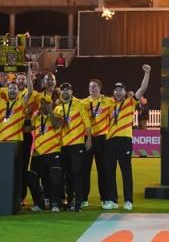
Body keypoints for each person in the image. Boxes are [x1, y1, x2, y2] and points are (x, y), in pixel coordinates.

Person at [102, 64, 150, 211]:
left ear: (124, 91)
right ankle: (112, 200)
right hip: (110, 140)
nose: (118, 92)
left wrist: (147, 73)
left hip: (124, 140)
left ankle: (128, 200)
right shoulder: (109, 103)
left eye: (120, 90)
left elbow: (142, 89)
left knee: (126, 171)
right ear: (113, 92)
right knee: (109, 171)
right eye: (116, 90)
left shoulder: (130, 101)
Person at [0, 69, 34, 212]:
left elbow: (31, 91)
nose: (13, 90)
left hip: (16, 143)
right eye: (10, 88)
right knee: (2, 173)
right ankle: (2, 200)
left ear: (18, 91)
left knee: (16, 173)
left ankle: (16, 202)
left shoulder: (21, 102)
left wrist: (27, 74)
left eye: (15, 88)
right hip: (2, 143)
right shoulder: (1, 102)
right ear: (7, 91)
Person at [55, 82, 91, 211]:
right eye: (63, 90)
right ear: (60, 92)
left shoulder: (79, 104)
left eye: (68, 90)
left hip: (77, 144)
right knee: (67, 175)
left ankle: (78, 202)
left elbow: (87, 122)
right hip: (63, 145)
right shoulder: (57, 108)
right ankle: (69, 201)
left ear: (71, 92)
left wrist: (89, 138)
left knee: (77, 173)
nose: (65, 92)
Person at [30, 93, 64, 211]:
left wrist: (50, 111)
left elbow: (56, 125)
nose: (44, 105)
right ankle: (40, 203)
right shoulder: (37, 118)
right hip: (38, 152)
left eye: (46, 103)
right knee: (32, 177)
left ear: (51, 105)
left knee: (54, 177)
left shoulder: (57, 115)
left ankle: (55, 203)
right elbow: (29, 129)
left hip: (53, 151)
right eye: (42, 103)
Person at [84, 79, 112, 208]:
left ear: (100, 88)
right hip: (88, 138)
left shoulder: (108, 101)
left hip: (102, 139)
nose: (91, 89)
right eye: (90, 87)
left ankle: (105, 198)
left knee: (103, 170)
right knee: (85, 170)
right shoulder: (83, 102)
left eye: (94, 86)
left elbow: (119, 103)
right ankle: (83, 198)